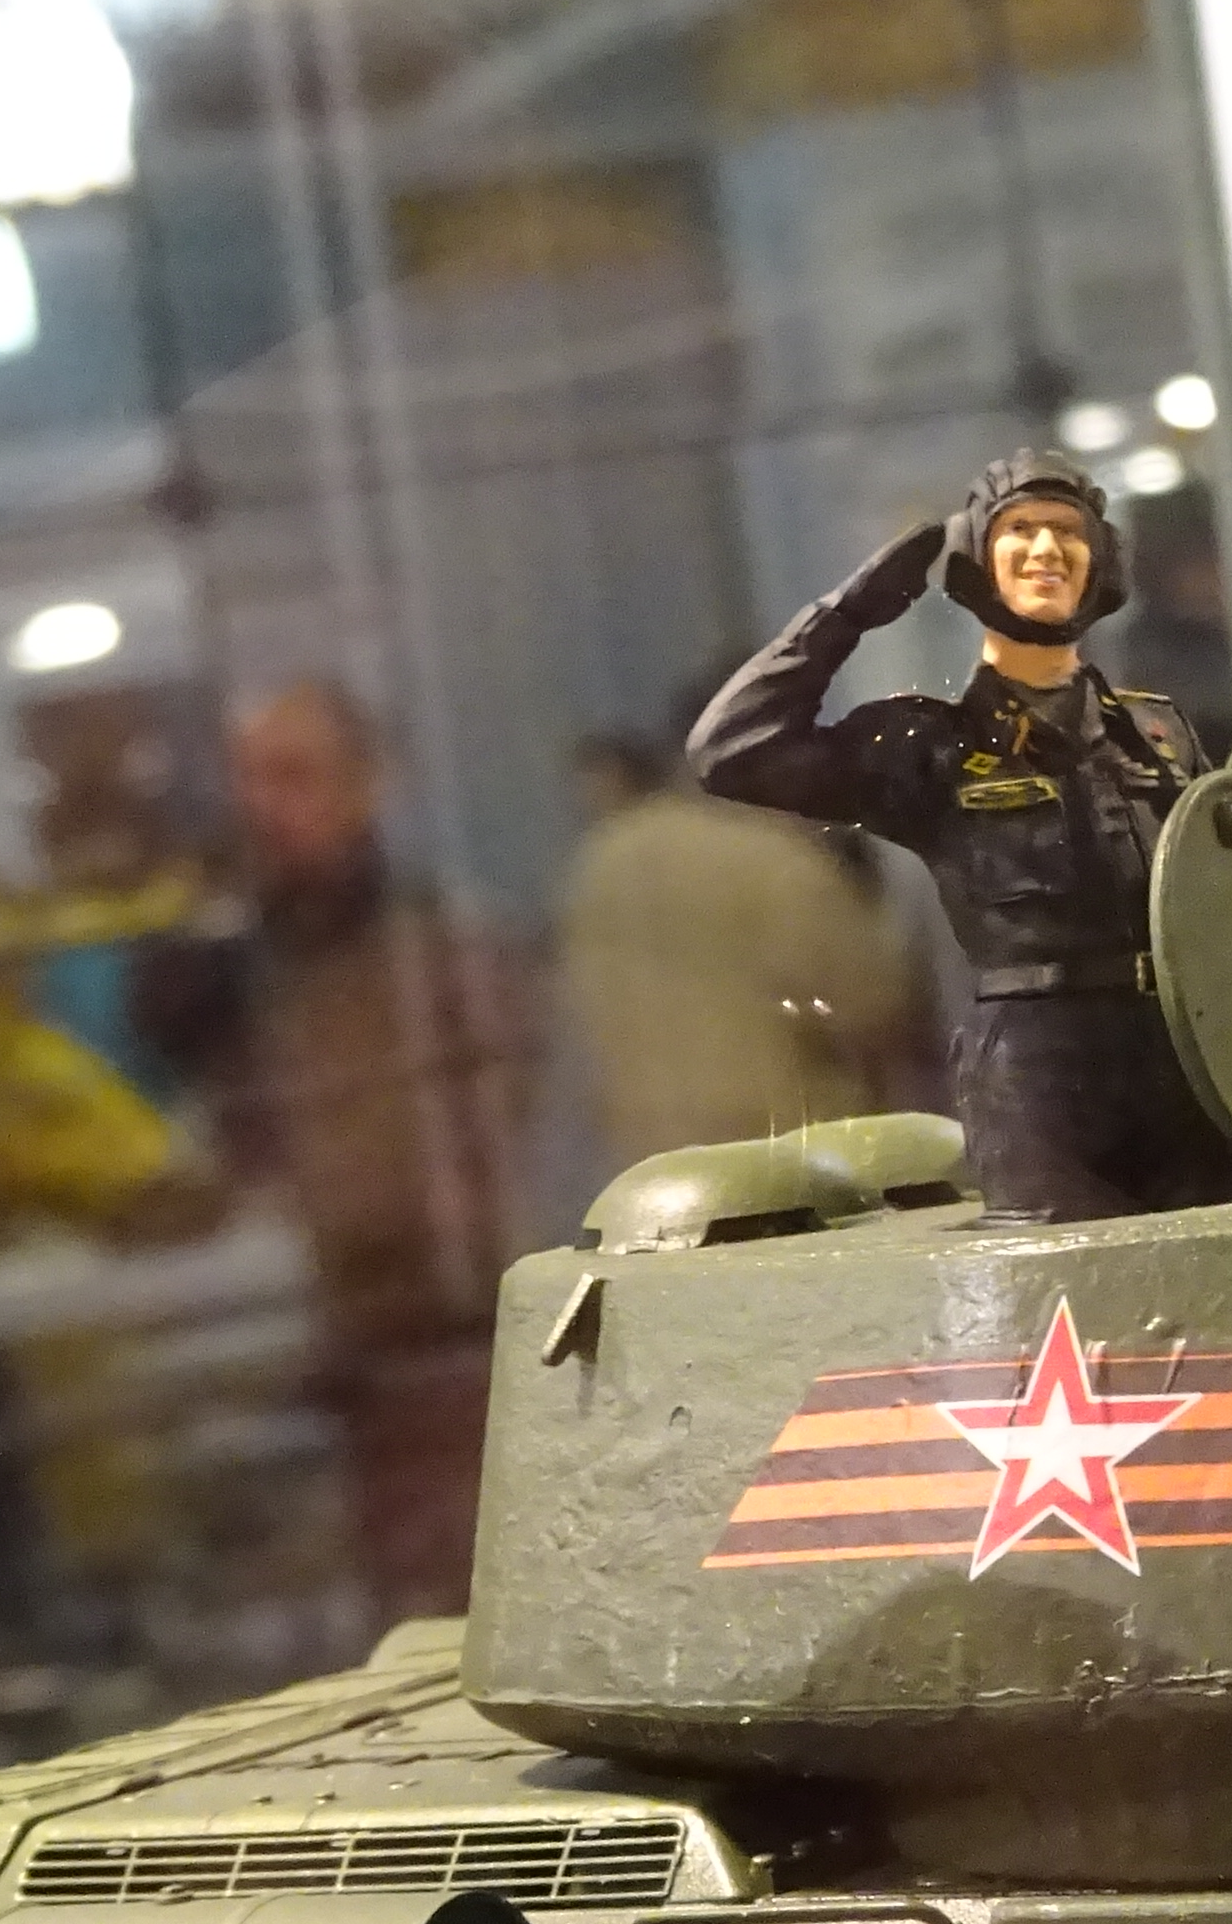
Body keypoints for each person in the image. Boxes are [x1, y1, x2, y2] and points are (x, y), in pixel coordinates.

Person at [687, 449, 1232, 1219]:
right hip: (1037, 1078)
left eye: (1067, 530)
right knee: (1057, 1278)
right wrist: (844, 618)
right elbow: (732, 751)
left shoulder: (1157, 733)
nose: (1046, 550)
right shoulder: (930, 747)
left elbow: (1224, 886)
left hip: (1181, 1055)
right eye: (1019, 530)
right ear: (976, 561)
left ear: (1101, 559)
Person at [213, 677, 534, 1622]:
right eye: (248, 781)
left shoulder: (444, 955)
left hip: (461, 1344)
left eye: (293, 777)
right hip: (362, 1359)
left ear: (366, 785)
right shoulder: (264, 968)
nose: (263, 808)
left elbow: (448, 1168)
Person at [552, 722, 929, 1172]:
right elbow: (872, 1006)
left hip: (652, 1155)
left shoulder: (600, 863)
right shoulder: (772, 859)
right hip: (785, 1147)